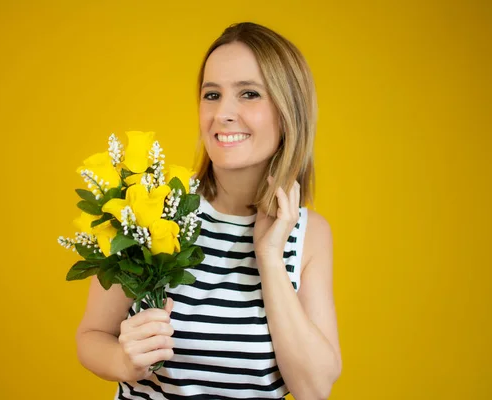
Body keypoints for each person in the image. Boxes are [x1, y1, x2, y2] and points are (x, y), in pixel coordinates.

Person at [75, 21, 342, 399]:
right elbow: (91, 336)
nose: (223, 114)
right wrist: (124, 361)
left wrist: (268, 256)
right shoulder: (152, 209)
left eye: (249, 94)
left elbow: (314, 389)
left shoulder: (309, 234)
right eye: (212, 95)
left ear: (289, 111)